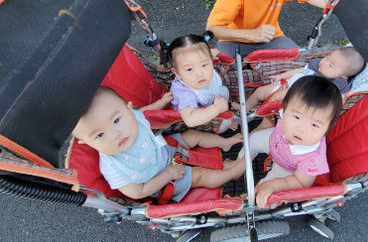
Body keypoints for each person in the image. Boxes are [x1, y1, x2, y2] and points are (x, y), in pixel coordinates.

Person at [72, 86, 245, 202]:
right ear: (85, 142)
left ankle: (225, 143)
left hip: (163, 149)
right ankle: (233, 173)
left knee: (191, 135)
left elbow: (144, 112)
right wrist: (168, 174)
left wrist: (161, 103)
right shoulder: (114, 167)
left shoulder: (134, 116)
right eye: (100, 135)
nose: (115, 134)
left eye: (116, 120)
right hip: (158, 179)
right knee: (199, 175)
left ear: (129, 109)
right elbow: (138, 191)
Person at [237, 76, 342, 207]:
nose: (301, 129)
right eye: (297, 117)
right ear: (284, 109)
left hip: (286, 168)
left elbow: (300, 182)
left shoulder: (312, 159)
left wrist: (273, 185)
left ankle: (247, 203)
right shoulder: (286, 117)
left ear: (327, 128)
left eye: (314, 125)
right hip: (276, 140)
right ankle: (237, 166)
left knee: (265, 195)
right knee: (252, 140)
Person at [232, 47, 364, 125]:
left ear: (342, 77)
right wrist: (282, 76)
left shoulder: (333, 86)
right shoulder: (316, 67)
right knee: (260, 92)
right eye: (328, 57)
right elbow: (301, 70)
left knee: (269, 118)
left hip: (293, 101)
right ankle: (244, 109)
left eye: (331, 65)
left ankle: (253, 124)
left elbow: (336, 100)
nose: (324, 62)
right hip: (285, 86)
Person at [162, 31, 237, 132]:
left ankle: (225, 111)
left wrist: (212, 53)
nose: (200, 74)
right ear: (177, 73)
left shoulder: (198, 72)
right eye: (189, 69)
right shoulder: (185, 94)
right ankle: (227, 122)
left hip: (208, 102)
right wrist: (216, 109)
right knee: (224, 124)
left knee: (223, 90)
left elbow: (210, 53)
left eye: (204, 65)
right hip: (194, 119)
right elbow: (190, 120)